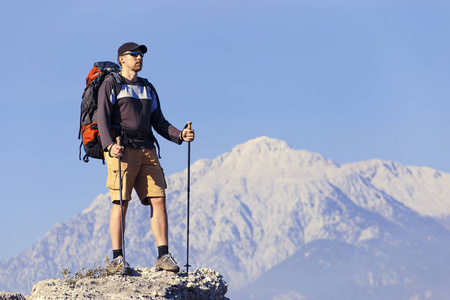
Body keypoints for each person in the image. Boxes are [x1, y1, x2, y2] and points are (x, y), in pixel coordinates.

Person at [97, 42, 195, 273]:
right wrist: (109, 146)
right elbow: (102, 117)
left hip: (148, 149)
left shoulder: (147, 87)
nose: (139, 58)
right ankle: (117, 258)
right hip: (121, 149)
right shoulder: (112, 83)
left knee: (158, 198)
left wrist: (180, 135)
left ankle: (163, 255)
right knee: (121, 202)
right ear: (122, 59)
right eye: (134, 54)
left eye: (141, 55)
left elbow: (159, 122)